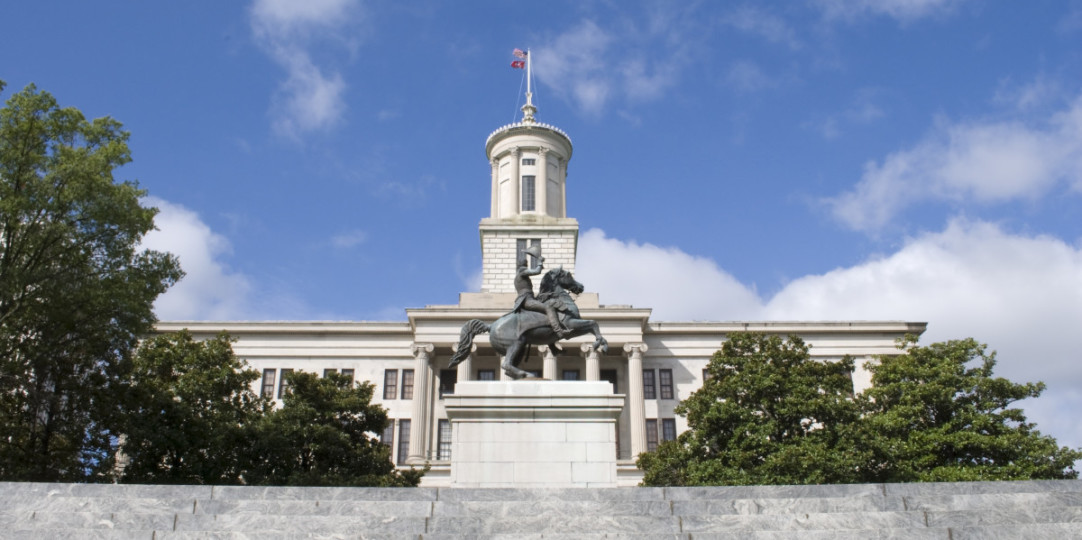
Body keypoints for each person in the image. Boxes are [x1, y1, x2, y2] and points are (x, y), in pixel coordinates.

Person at [512, 245, 570, 337]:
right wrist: (539, 262)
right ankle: (558, 331)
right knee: (548, 307)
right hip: (527, 301)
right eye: (526, 264)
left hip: (529, 299)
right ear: (524, 265)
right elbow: (537, 271)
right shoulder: (522, 272)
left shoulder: (518, 276)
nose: (527, 266)